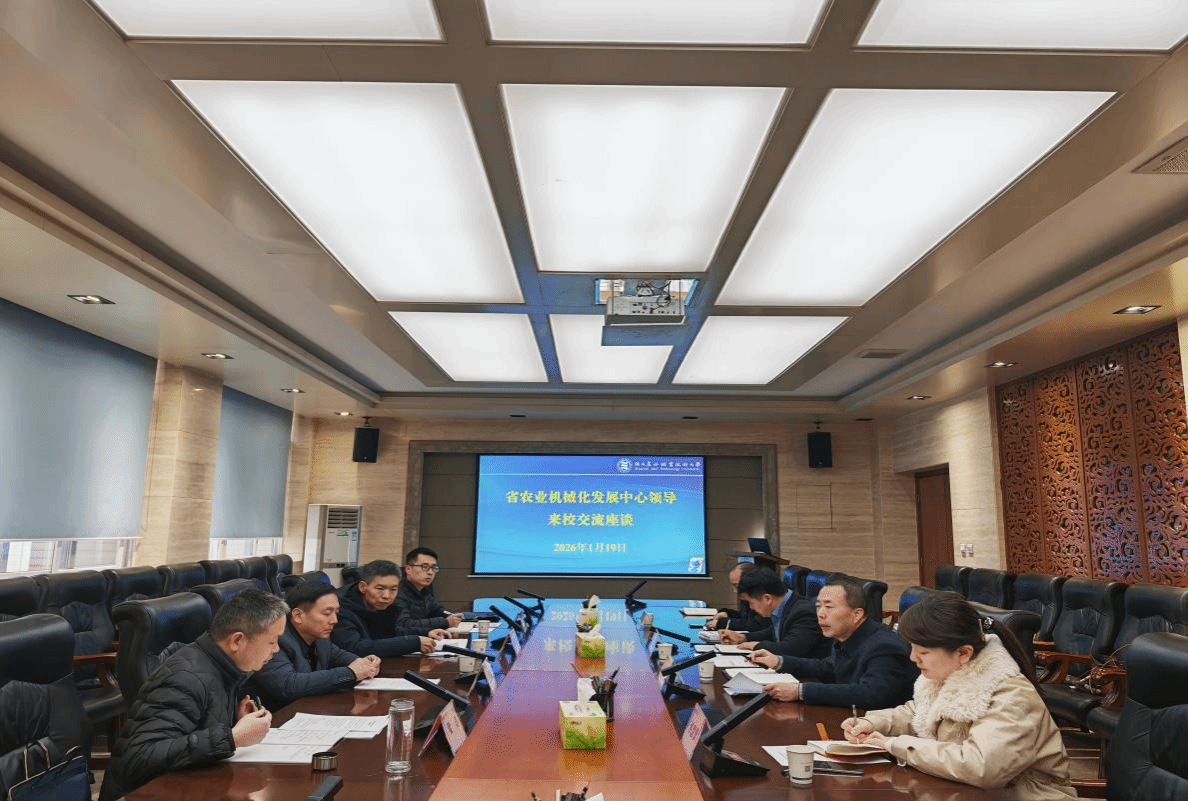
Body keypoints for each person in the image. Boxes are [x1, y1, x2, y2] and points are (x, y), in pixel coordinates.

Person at [843, 593, 1075, 801]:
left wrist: (896, 745)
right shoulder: (950, 672)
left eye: (923, 651)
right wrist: (873, 722)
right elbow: (919, 712)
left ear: (963, 652)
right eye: (912, 648)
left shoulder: (1011, 694)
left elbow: (981, 766)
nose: (913, 658)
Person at [100, 589, 288, 801]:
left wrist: (236, 723)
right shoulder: (185, 677)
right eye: (272, 641)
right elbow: (140, 758)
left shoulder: (224, 667)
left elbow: (192, 729)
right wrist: (232, 737)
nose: (276, 649)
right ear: (237, 641)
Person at [750, 575, 917, 709]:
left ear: (857, 614)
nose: (821, 614)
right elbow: (828, 667)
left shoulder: (883, 646)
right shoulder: (847, 635)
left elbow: (870, 693)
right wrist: (779, 661)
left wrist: (801, 691)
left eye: (829, 607)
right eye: (818, 606)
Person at [249, 580, 382, 710]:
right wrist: (351, 673)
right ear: (298, 615)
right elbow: (288, 685)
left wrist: (363, 663)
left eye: (336, 612)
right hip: (276, 717)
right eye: (327, 613)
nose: (334, 620)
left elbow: (336, 655)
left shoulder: (319, 636)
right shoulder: (275, 640)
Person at [333, 559, 439, 657]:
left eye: (393, 589)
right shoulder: (339, 607)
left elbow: (389, 631)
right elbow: (355, 648)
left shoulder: (381, 604)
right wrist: (413, 643)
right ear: (363, 587)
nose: (387, 596)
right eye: (380, 589)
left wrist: (426, 632)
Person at [718, 568, 828, 658]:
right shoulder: (786, 604)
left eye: (751, 602)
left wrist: (756, 645)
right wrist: (743, 637)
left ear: (767, 599)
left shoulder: (804, 613)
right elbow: (774, 632)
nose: (751, 607)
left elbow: (790, 649)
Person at [395, 546, 462, 631]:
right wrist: (445, 622)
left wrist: (451, 616)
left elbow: (437, 611)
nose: (430, 572)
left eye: (433, 568)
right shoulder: (396, 590)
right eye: (424, 567)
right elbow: (404, 623)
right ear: (408, 569)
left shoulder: (425, 589)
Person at [706, 562, 763, 631]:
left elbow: (755, 625)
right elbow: (744, 617)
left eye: (736, 586)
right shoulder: (746, 598)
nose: (735, 591)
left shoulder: (761, 597)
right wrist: (727, 614)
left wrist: (722, 624)